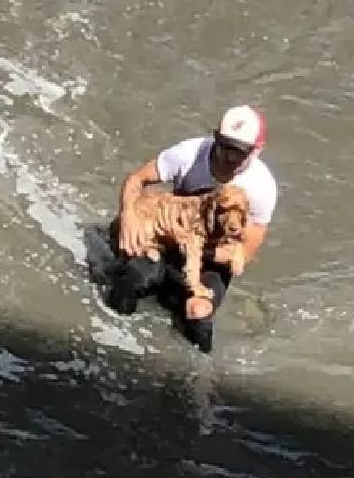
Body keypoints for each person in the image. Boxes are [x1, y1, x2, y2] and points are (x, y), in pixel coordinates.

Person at [107, 104, 278, 353]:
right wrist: (128, 214)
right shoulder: (190, 153)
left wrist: (196, 250)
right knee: (131, 281)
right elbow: (136, 179)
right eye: (222, 144)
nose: (225, 156)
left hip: (208, 258)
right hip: (164, 241)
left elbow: (240, 255)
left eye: (237, 152)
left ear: (255, 152)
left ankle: (195, 380)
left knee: (199, 314)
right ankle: (110, 347)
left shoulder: (261, 187)